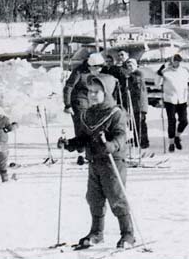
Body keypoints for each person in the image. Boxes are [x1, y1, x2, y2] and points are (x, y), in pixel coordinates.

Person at [58, 74, 134, 250]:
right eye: (90, 91)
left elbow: (121, 135)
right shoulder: (88, 114)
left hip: (112, 161)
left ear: (106, 92)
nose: (92, 95)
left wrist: (111, 145)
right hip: (94, 161)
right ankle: (97, 233)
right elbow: (84, 137)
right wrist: (69, 143)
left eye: (97, 92)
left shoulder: (115, 113)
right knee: (94, 198)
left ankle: (128, 233)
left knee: (116, 196)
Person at [64, 53, 106, 137]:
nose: (99, 70)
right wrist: (68, 105)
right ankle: (81, 145)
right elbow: (68, 87)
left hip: (92, 102)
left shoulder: (97, 72)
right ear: (91, 66)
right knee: (81, 124)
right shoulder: (79, 72)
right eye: (97, 67)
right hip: (79, 101)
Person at [157, 54, 189, 152]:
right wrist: (159, 74)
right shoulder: (166, 71)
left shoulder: (185, 71)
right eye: (175, 60)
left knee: (184, 121)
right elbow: (157, 83)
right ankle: (171, 143)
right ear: (172, 61)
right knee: (172, 122)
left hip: (182, 99)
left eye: (178, 61)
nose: (177, 62)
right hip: (170, 100)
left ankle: (177, 136)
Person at [124, 58, 149, 149]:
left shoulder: (139, 73)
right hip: (133, 104)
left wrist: (129, 77)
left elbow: (137, 83)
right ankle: (136, 138)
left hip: (140, 103)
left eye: (131, 66)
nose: (129, 68)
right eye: (128, 66)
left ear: (135, 66)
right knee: (132, 121)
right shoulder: (130, 76)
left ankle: (144, 141)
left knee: (140, 122)